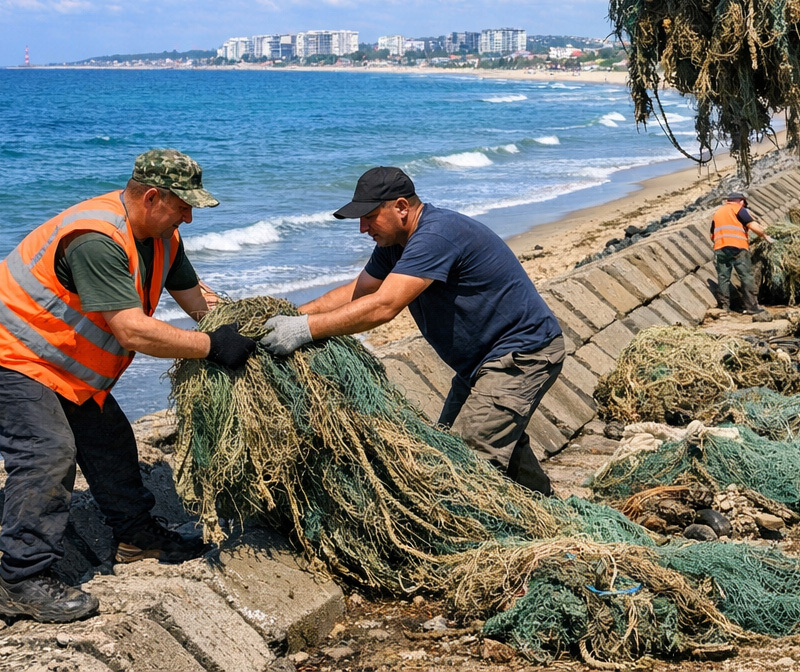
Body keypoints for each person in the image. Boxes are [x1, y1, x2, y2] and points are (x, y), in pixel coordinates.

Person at [0, 149, 257, 623]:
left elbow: (199, 302)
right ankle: (20, 580)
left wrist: (244, 331)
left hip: (66, 366)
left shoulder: (163, 236)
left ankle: (136, 540)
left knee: (113, 443)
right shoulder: (96, 239)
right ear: (152, 196)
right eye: (183, 206)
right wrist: (210, 347)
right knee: (47, 453)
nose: (190, 216)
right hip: (13, 355)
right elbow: (132, 330)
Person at [259, 167, 564, 496]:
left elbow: (383, 307)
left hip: (522, 354)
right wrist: (292, 316)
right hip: (481, 363)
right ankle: (551, 511)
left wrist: (303, 331)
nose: (362, 228)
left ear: (401, 207)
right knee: (473, 445)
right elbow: (358, 292)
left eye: (369, 217)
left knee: (463, 463)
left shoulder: (435, 236)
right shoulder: (395, 243)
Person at [708, 192, 772, 315]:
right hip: (738, 248)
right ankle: (752, 307)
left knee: (723, 277)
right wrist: (765, 235)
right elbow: (753, 225)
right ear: (741, 201)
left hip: (720, 248)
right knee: (746, 276)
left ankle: (724, 307)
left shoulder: (718, 213)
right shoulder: (739, 209)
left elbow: (712, 235)